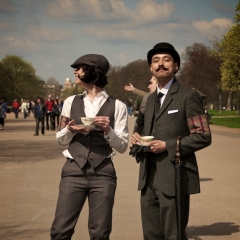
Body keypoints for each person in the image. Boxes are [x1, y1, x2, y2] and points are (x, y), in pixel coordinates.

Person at [131, 42, 212, 240]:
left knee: (174, 235)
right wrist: (137, 137)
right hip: (148, 178)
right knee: (150, 235)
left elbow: (203, 135)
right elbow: (143, 127)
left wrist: (167, 146)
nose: (160, 64)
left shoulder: (188, 96)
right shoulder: (149, 100)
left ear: (176, 66)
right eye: (155, 61)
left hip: (175, 175)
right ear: (151, 67)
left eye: (166, 60)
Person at [50, 54, 129, 240]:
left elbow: (123, 146)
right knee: (60, 230)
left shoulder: (118, 106)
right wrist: (70, 130)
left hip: (103, 173)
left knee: (100, 233)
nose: (75, 71)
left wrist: (108, 129)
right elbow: (60, 139)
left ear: (94, 72)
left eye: (80, 68)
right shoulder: (70, 102)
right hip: (72, 170)